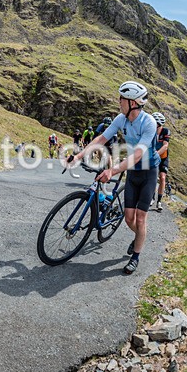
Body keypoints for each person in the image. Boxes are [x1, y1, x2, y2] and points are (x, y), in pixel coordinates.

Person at [66, 81, 159, 275]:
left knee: (140, 219)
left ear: (133, 103)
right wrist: (79, 155)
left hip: (148, 172)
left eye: (122, 99)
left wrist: (112, 171)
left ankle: (135, 256)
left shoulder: (148, 122)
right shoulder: (121, 119)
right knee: (128, 218)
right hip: (133, 172)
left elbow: (139, 155)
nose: (119, 102)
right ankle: (139, 236)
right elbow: (101, 139)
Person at [152, 112, 171, 211]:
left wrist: (156, 154)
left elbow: (165, 146)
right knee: (153, 177)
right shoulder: (151, 131)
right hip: (153, 156)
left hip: (163, 157)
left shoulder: (165, 131)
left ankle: (159, 201)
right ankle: (151, 197)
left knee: (162, 177)